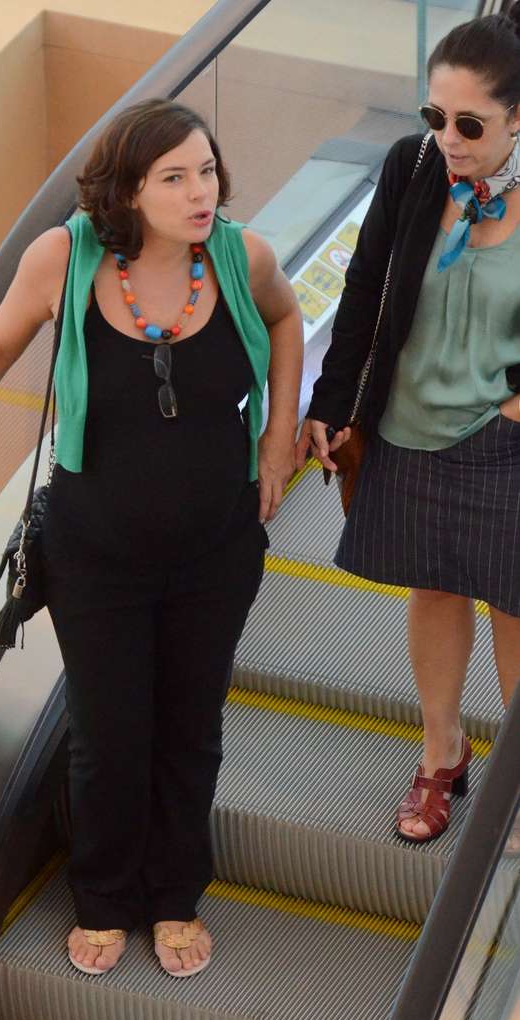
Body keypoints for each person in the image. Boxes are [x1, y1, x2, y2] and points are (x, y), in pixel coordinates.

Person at [0, 99, 304, 975]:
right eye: (173, 178)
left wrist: (279, 435)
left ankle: (175, 894)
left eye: (206, 171)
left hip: (218, 546)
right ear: (129, 191)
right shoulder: (65, 258)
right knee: (108, 730)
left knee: (191, 725)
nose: (199, 192)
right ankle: (103, 894)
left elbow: (287, 322)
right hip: (96, 550)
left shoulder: (244, 257)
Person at [296, 5, 520, 845]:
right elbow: (364, 289)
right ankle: (442, 752)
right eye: (436, 116)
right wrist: (331, 401)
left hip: (504, 434)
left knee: (515, 603)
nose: (449, 138)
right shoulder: (414, 166)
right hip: (411, 420)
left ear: (518, 118)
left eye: (470, 123)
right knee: (434, 585)